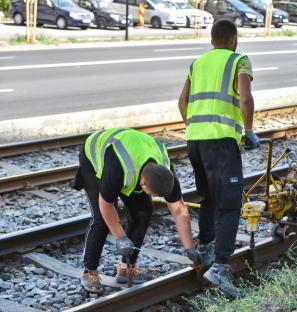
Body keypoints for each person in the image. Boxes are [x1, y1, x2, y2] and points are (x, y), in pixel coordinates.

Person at [178, 19, 260, 298]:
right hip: (223, 141)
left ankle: (206, 247)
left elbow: (182, 102)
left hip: (195, 141)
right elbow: (246, 100)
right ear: (233, 40)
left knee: (208, 198)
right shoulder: (239, 60)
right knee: (229, 203)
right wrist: (248, 132)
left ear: (212, 40)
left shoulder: (197, 63)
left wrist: (193, 127)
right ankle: (221, 267)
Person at [72, 127, 202, 293]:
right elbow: (106, 206)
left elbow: (179, 210)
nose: (153, 196)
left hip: (135, 152)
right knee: (100, 218)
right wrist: (121, 237)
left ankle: (127, 268)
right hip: (95, 154)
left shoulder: (165, 169)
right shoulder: (118, 169)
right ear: (142, 184)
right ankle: (89, 271)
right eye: (152, 193)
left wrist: (189, 247)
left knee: (143, 211)